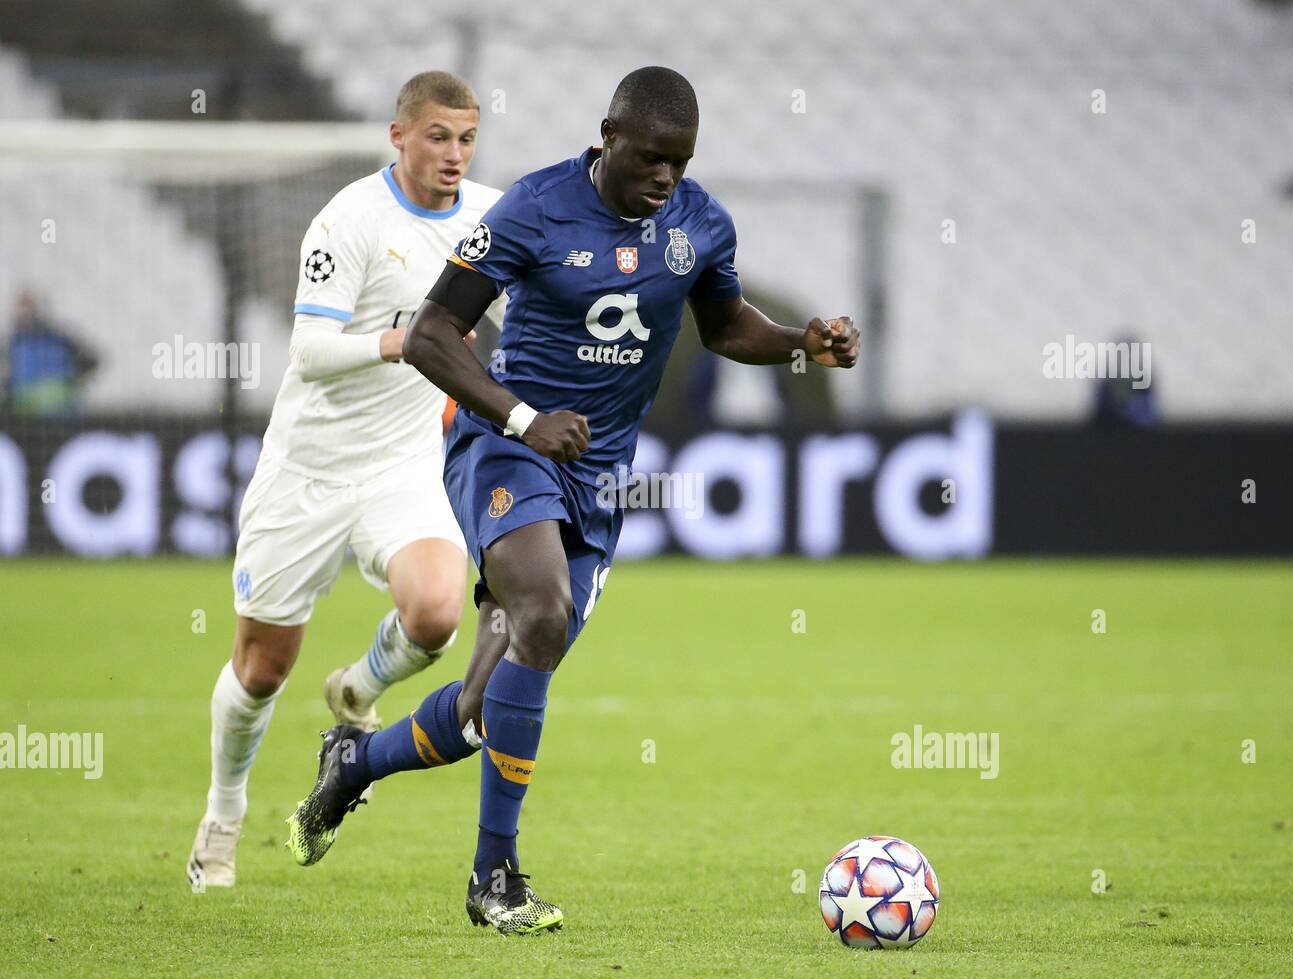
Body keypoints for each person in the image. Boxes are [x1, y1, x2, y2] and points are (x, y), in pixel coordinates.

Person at [286, 67, 858, 934]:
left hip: (599, 479)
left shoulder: (698, 223)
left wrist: (800, 346)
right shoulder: (534, 208)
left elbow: (727, 326)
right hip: (504, 446)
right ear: (607, 137)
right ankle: (495, 881)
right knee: (542, 618)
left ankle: (356, 763)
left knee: (483, 710)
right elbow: (435, 335)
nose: (666, 177)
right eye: (652, 158)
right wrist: (520, 416)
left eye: (681, 161)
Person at [186, 71, 505, 890]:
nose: (454, 155)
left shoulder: (490, 217)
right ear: (398, 135)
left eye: (467, 139)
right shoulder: (349, 220)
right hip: (309, 471)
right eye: (438, 137)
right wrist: (408, 343)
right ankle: (224, 813)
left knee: (436, 613)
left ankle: (357, 689)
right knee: (260, 669)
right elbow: (310, 353)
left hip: (403, 465)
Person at [3, 289, 98, 416]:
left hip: (62, 415)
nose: (26, 314)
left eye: (29, 308)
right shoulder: (12, 344)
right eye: (22, 309)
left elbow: (91, 360)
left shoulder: (60, 338)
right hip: (27, 418)